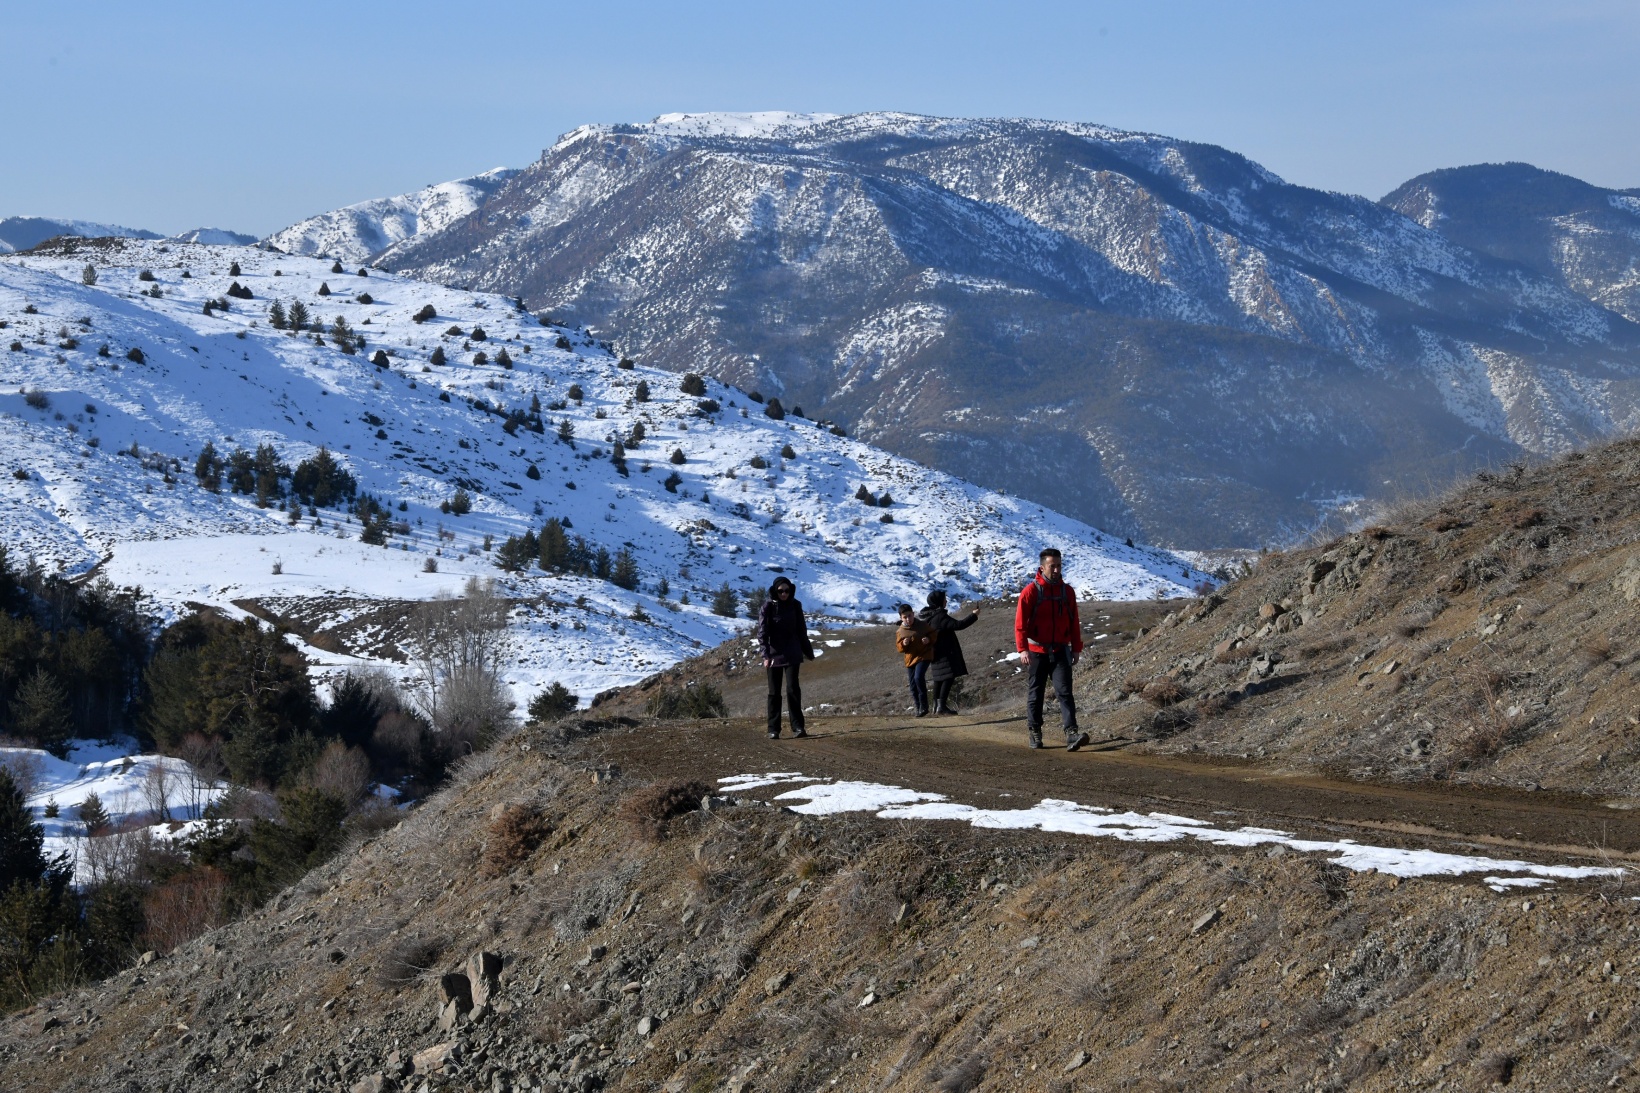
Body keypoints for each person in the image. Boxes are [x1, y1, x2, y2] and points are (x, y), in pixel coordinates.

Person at [1015, 548, 1090, 751]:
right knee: (1036, 693)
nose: (1056, 570)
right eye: (1052, 566)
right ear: (1042, 567)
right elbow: (1020, 624)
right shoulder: (1030, 592)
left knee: (1065, 692)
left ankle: (1072, 733)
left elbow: (1074, 622)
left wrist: (1076, 648)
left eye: (1059, 565)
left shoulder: (1068, 592)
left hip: (1060, 651)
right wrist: (1022, 649)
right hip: (1036, 652)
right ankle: (1035, 731)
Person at [758, 576, 815, 739]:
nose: (784, 594)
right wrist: (765, 655)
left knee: (793, 689)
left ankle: (798, 727)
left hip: (792, 653)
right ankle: (773, 729)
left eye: (787, 591)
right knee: (774, 692)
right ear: (775, 591)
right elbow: (762, 633)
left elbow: (801, 630)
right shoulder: (767, 607)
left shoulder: (796, 606)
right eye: (781, 591)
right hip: (774, 654)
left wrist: (808, 652)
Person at [918, 590, 979, 715]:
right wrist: (974, 615)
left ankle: (936, 707)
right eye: (944, 599)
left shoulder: (928, 616)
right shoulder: (940, 616)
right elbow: (959, 625)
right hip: (945, 653)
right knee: (948, 678)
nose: (946, 601)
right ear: (939, 602)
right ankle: (941, 707)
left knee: (938, 680)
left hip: (935, 653)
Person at [894, 603, 935, 716]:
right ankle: (918, 708)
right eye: (905, 617)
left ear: (913, 614)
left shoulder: (922, 625)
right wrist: (903, 643)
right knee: (912, 685)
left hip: (924, 655)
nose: (908, 619)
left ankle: (924, 706)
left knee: (918, 677)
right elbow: (899, 648)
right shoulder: (900, 631)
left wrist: (928, 639)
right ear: (901, 618)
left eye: (910, 615)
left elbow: (934, 634)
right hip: (910, 659)